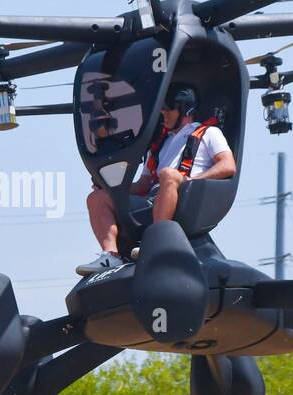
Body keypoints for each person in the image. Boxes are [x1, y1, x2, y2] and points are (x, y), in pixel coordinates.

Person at [76, 83, 236, 276]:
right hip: (153, 198)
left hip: (184, 196)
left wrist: (189, 180)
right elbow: (143, 185)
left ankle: (157, 242)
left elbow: (228, 165)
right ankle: (111, 255)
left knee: (169, 174)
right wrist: (109, 188)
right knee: (97, 198)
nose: (164, 115)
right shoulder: (161, 144)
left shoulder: (209, 133)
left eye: (169, 110)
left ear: (185, 109)